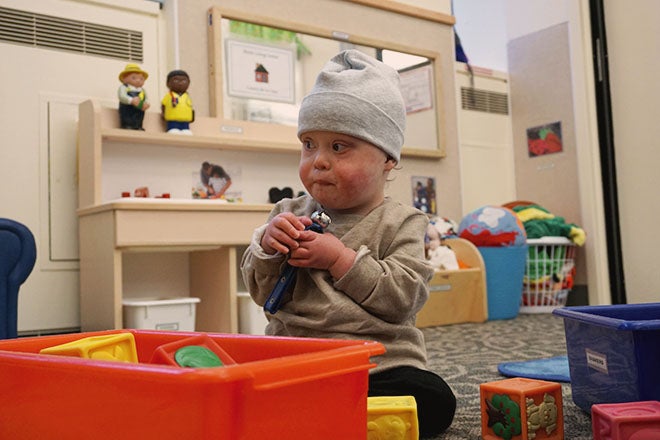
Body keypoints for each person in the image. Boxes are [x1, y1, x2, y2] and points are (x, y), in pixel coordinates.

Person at [240, 49, 456, 438]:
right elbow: (261, 293)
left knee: (434, 398)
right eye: (309, 144)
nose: (318, 161)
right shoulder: (287, 211)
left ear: (387, 159)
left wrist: (340, 259)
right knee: (235, 377)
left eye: (339, 147)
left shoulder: (403, 223)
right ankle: (328, 415)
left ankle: (319, 416)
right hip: (295, 359)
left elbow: (402, 300)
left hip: (379, 364)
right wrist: (268, 249)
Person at [117, 63, 150, 130]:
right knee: (127, 117)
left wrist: (146, 103)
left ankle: (138, 126)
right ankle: (127, 125)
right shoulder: (124, 87)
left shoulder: (142, 90)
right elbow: (122, 96)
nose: (138, 80)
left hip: (139, 108)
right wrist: (131, 100)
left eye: (141, 79)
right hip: (127, 107)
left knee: (139, 116)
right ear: (124, 79)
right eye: (134, 78)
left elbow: (146, 98)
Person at [161, 69, 194, 134]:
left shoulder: (187, 96)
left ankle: (185, 129)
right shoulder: (169, 96)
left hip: (186, 121)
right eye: (176, 80)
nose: (180, 83)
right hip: (173, 120)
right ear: (168, 83)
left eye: (184, 81)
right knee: (174, 131)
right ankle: (172, 128)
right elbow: (163, 105)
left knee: (186, 132)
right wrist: (163, 114)